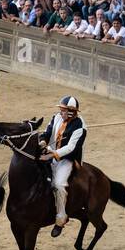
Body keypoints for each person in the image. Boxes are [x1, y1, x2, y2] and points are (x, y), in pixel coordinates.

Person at [40, 96, 86, 237]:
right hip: (51, 153)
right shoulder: (56, 117)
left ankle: (61, 218)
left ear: (71, 112)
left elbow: (71, 148)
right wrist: (43, 142)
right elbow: (47, 132)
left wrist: (52, 155)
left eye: (63, 110)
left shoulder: (80, 126)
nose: (61, 112)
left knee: (59, 185)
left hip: (67, 160)